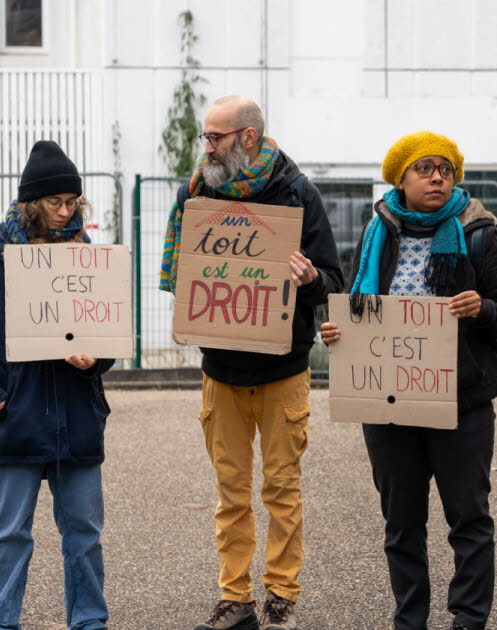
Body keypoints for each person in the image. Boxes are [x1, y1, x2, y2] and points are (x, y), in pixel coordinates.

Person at [319, 130, 497, 630]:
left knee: (468, 519)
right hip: (387, 401)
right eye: (424, 169)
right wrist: (339, 332)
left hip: (461, 401)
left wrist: (482, 307)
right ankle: (410, 621)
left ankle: (468, 620)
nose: (437, 177)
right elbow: (364, 308)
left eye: (445, 169)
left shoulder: (477, 231)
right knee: (401, 524)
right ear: (400, 178)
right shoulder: (376, 232)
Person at [158, 95, 343, 630]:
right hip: (221, 371)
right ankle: (234, 599)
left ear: (249, 138)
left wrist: (309, 281)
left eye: (215, 137)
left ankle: (281, 592)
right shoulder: (196, 195)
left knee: (281, 488)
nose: (207, 148)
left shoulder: (297, 193)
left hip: (284, 369)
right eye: (205, 138)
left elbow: (335, 282)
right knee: (230, 493)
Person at [0, 140, 114, 630]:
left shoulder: (87, 259)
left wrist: (94, 362)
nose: (65, 212)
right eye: (55, 202)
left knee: (84, 534)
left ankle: (89, 622)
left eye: (72, 202)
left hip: (78, 418)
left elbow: (104, 335)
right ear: (32, 203)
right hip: (16, 418)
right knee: (7, 534)